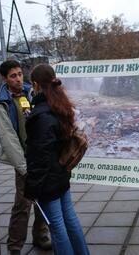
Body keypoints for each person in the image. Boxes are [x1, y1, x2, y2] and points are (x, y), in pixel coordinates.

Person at [24, 63, 90, 255]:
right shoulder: (60, 107)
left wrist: (32, 188)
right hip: (61, 175)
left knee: (57, 227)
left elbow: (40, 157)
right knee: (70, 219)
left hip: (49, 182)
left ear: (35, 85)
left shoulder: (40, 115)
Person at [0, 60, 51, 254]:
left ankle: (41, 236)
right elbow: (7, 137)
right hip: (24, 160)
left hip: (39, 155)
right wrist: (23, 167)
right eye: (13, 76)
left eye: (19, 74)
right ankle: (15, 246)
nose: (18, 79)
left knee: (43, 199)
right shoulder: (1, 102)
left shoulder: (32, 91)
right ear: (5, 78)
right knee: (23, 204)